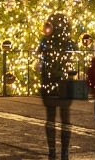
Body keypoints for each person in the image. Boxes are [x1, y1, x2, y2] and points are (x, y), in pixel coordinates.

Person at [39, 13, 76, 160]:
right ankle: (64, 151)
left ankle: (52, 150)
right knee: (65, 118)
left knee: (50, 118)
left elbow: (40, 57)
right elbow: (75, 54)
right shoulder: (68, 43)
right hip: (65, 84)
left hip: (49, 83)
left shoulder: (45, 41)